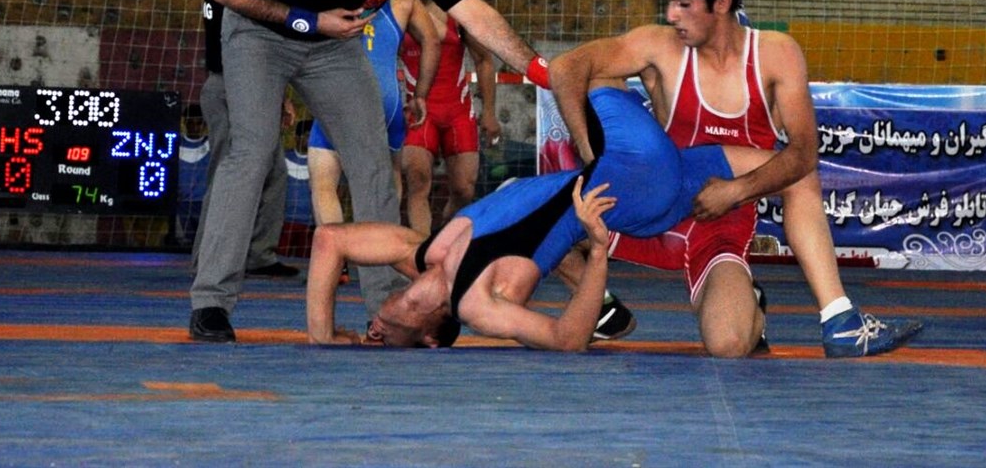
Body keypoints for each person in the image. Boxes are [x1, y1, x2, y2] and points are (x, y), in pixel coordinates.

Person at [191, 0, 550, 343]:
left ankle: (387, 303)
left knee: (374, 161)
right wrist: (309, 20)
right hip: (260, 34)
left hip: (332, 46)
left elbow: (474, 13)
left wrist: (538, 68)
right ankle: (211, 302)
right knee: (252, 154)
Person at [550, 0, 922, 358]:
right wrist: (592, 154)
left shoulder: (775, 55)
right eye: (669, 3)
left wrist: (735, 191)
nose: (671, 16)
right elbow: (567, 68)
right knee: (531, 212)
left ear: (722, 3)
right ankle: (600, 307)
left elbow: (803, 154)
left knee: (728, 344)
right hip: (653, 208)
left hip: (719, 226)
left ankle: (832, 317)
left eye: (683, 4)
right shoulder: (659, 46)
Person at [306, 86, 777, 350]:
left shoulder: (420, 253)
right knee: (584, 73)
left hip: (611, 174)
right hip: (629, 190)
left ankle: (726, 296)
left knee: (786, 169)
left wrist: (323, 336)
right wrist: (597, 253)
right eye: (383, 343)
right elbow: (565, 339)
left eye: (371, 336)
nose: (371, 334)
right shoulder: (480, 305)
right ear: (431, 339)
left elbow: (330, 239)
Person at [190, 0, 299, 280]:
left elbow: (267, 54)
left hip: (251, 88)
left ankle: (258, 254)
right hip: (228, 87)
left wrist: (279, 97)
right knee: (229, 172)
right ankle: (207, 258)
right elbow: (249, 53)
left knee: (274, 171)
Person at [307, 0, 439, 227]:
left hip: (339, 92)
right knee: (387, 180)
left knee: (324, 183)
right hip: (385, 97)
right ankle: (380, 248)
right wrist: (420, 95)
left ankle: (336, 250)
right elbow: (432, 40)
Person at [399, 0, 502, 237]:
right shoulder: (399, 9)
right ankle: (421, 250)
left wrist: (489, 112)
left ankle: (443, 239)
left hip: (458, 111)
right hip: (418, 112)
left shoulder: (457, 12)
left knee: (464, 189)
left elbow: (484, 61)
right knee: (418, 181)